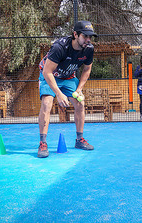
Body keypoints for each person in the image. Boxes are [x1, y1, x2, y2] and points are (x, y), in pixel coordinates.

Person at [37, 20, 97, 158]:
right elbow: (47, 72)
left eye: (90, 37)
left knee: (80, 103)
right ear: (75, 34)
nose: (88, 39)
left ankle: (79, 140)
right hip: (50, 75)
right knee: (47, 103)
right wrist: (58, 94)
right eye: (85, 36)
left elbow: (87, 69)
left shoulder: (89, 49)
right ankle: (43, 143)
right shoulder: (60, 47)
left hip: (68, 78)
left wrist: (79, 89)